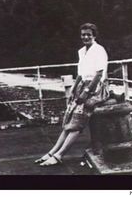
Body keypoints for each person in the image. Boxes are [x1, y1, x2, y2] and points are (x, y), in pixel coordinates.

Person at [35, 23, 109, 166]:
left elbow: (99, 74)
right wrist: (73, 90)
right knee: (68, 122)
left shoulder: (99, 50)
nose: (85, 37)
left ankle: (59, 155)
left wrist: (86, 93)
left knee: (76, 123)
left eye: (88, 34)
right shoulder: (81, 51)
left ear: (94, 35)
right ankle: (52, 152)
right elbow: (80, 74)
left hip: (95, 89)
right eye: (83, 34)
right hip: (82, 87)